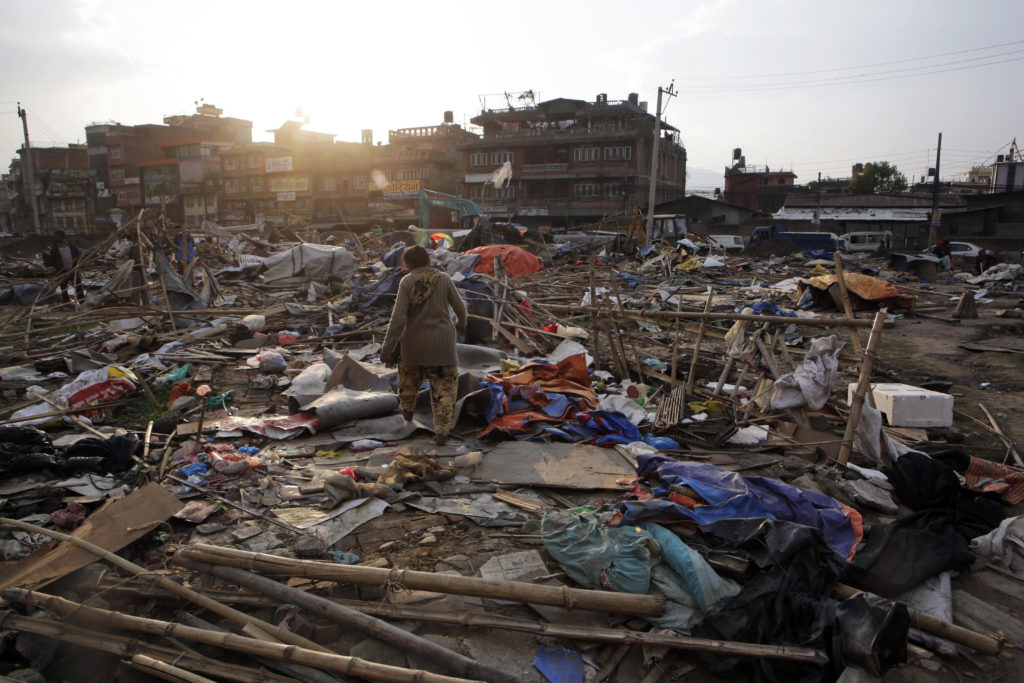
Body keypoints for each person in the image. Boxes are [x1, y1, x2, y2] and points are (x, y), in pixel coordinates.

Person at [381, 245, 468, 446]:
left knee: (408, 384)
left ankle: (408, 413)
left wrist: (387, 348)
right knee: (444, 391)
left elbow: (398, 318)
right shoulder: (444, 279)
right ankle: (441, 432)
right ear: (428, 260)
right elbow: (460, 307)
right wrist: (461, 324)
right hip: (443, 347)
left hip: (413, 346)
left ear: (407, 263)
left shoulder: (407, 281)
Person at [45, 230, 84, 302]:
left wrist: (76, 266)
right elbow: (53, 261)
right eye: (56, 236)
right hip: (62, 271)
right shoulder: (54, 249)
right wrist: (59, 268)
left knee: (78, 285)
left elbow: (77, 256)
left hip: (73, 269)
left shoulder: (71, 247)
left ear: (63, 236)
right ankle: (66, 301)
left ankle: (81, 301)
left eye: (58, 236)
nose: (56, 238)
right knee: (63, 287)